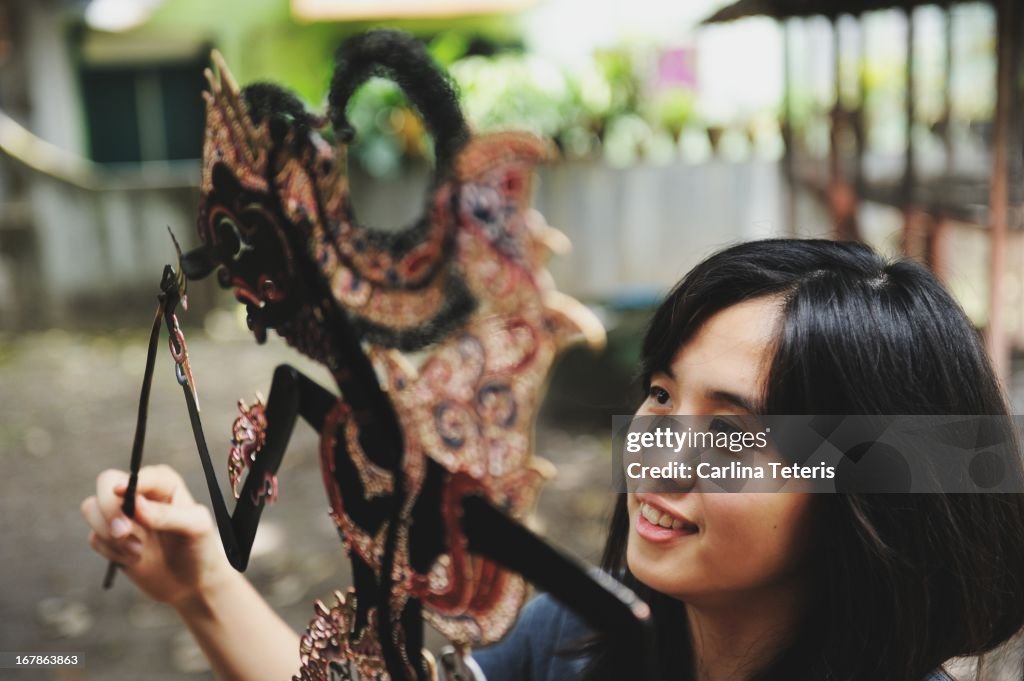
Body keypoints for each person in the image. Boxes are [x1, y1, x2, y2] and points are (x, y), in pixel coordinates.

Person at [82, 238, 1024, 681]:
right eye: (660, 395)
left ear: (870, 487)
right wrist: (201, 581)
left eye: (733, 429)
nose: (656, 453)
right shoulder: (572, 643)